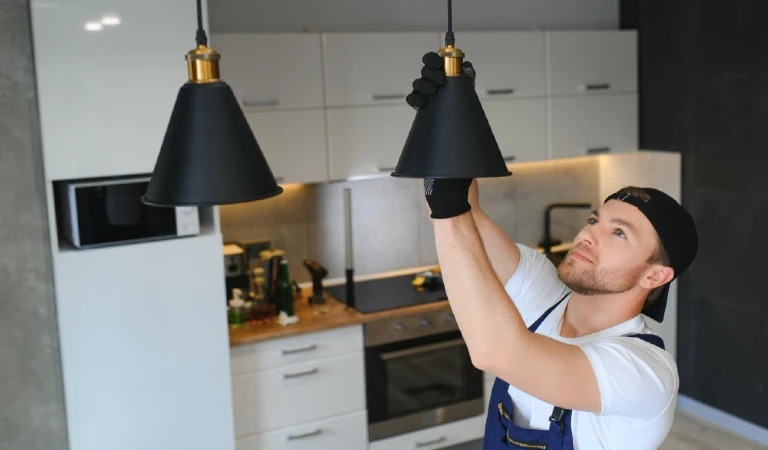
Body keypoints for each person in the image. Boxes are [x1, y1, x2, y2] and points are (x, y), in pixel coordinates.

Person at [406, 52, 699, 450]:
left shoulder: (644, 371)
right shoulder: (543, 292)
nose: (588, 234)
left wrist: (447, 207)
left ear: (654, 275)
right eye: (595, 220)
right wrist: (453, 114)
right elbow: (465, 213)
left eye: (619, 233)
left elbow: (498, 352)